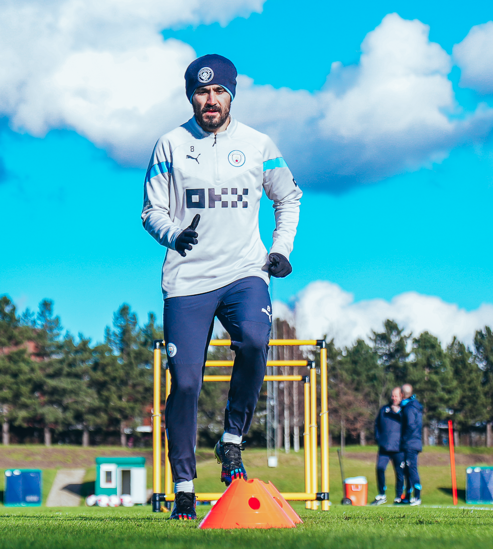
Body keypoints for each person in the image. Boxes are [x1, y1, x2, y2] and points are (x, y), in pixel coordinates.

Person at [141, 54, 303, 520]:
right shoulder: (169, 145)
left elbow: (288, 196)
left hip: (244, 271)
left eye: (218, 92)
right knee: (186, 383)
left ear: (231, 94)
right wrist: (174, 234)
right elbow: (151, 211)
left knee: (255, 340)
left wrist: (282, 249)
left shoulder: (258, 144)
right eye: (200, 91)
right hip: (187, 280)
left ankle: (231, 440)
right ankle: (185, 489)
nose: (209, 100)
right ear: (190, 95)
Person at [372, 387, 405, 505]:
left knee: (399, 473)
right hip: (384, 447)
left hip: (399, 448)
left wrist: (398, 413)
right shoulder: (384, 410)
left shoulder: (405, 410)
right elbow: (377, 425)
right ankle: (381, 494)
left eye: (396, 396)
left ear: (401, 396)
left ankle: (398, 497)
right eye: (392, 396)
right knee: (380, 468)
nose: (394, 398)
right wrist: (378, 438)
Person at [398, 383, 423, 506]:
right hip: (412, 442)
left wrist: (403, 439)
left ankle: (417, 497)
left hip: (411, 443)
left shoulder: (409, 408)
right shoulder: (412, 406)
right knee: (407, 470)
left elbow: (411, 425)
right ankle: (407, 496)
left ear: (402, 394)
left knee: (412, 468)